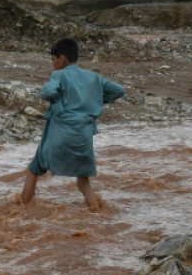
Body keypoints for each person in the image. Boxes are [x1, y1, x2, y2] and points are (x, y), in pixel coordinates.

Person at [18, 38, 126, 210]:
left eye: (54, 59)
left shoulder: (59, 75)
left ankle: (20, 209)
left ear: (62, 59)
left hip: (60, 133)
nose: (53, 64)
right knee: (83, 180)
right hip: (83, 135)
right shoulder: (94, 77)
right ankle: (96, 210)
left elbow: (48, 91)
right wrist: (96, 100)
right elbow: (119, 90)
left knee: (33, 170)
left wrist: (51, 95)